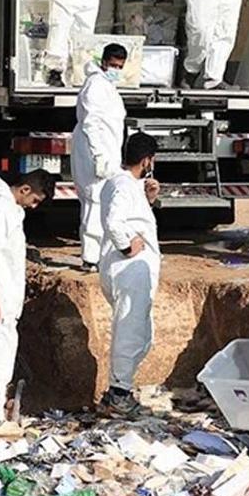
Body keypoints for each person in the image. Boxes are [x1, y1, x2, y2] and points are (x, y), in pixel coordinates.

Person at [0, 170, 56, 437]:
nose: (34, 206)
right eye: (35, 199)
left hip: (2, 300)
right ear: (25, 189)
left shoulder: (10, 212)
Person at [98, 132, 162, 416]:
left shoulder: (125, 184)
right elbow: (115, 220)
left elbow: (131, 215)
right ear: (147, 160)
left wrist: (148, 199)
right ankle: (118, 394)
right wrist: (127, 245)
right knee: (130, 331)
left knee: (142, 334)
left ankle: (120, 388)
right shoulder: (123, 186)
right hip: (129, 271)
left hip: (130, 271)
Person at [72, 43, 128, 272]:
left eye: (120, 66)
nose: (116, 69)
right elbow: (91, 123)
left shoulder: (106, 85)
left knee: (101, 202)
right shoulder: (95, 85)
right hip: (95, 152)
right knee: (94, 201)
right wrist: (99, 155)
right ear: (104, 62)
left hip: (106, 151)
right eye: (113, 65)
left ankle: (99, 254)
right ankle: (91, 257)